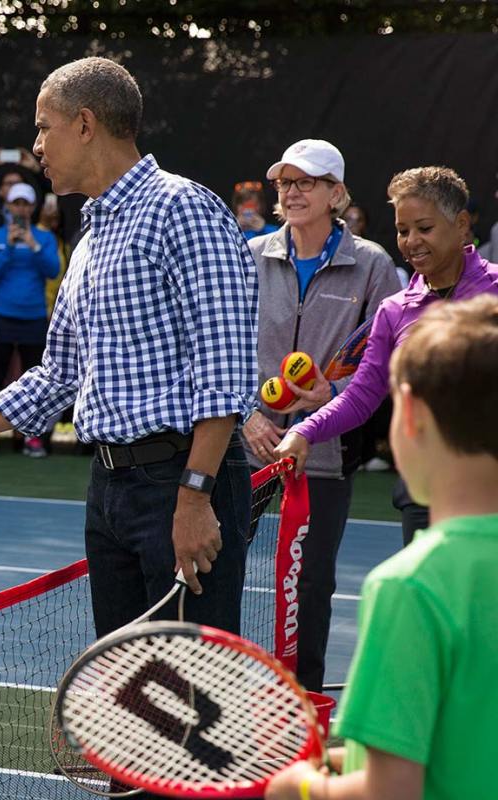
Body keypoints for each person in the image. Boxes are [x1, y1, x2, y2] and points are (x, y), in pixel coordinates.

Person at [0, 58, 258, 668]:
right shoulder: (90, 239)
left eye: (44, 128)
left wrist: (195, 497)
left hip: (181, 481)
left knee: (191, 700)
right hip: (110, 488)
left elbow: (223, 369)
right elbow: (56, 377)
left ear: (85, 124)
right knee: (126, 698)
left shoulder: (182, 207)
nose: (35, 146)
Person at [264, 295, 498, 800]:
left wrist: (301, 788)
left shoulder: (410, 588)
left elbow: (390, 790)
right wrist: (340, 758)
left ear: (408, 413)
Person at [241, 139, 402, 692]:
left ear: (336, 193)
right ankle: (211, 691)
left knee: (311, 585)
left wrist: (332, 392)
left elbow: (390, 355)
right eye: (284, 183)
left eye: (305, 182)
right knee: (214, 569)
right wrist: (247, 416)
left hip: (325, 453)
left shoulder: (374, 264)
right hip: (248, 448)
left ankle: (300, 701)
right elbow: (218, 346)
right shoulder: (251, 254)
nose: (291, 193)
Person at [275, 167, 498, 546]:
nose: (411, 241)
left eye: (424, 228)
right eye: (402, 230)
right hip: (427, 495)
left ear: (462, 225)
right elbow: (362, 396)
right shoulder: (393, 310)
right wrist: (304, 430)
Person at [0, 182, 61, 458]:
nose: (21, 208)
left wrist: (33, 245)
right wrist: (9, 248)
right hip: (0, 316)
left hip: (33, 318)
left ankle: (32, 438)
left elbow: (53, 270)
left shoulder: (44, 237)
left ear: (32, 207)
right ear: (8, 206)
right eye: (17, 203)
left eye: (26, 203)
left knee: (35, 380)